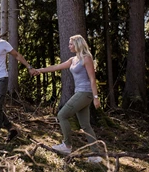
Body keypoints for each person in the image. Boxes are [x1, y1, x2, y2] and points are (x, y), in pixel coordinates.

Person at [36, 35, 102, 163]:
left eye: (71, 44)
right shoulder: (73, 59)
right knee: (85, 125)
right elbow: (57, 67)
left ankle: (67, 146)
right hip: (80, 92)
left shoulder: (86, 58)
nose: (69, 46)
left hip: (85, 93)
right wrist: (39, 70)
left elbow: (93, 79)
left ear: (77, 44)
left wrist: (96, 97)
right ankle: (95, 155)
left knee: (62, 115)